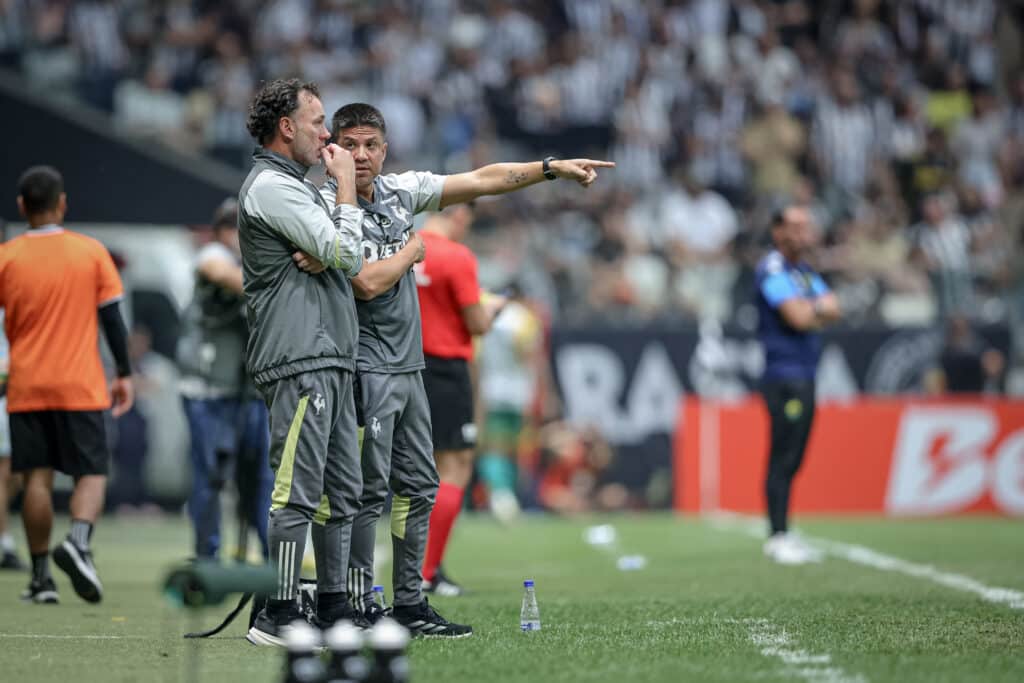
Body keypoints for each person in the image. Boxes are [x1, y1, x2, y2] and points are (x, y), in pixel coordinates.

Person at [298, 101, 613, 637]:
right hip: (359, 368)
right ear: (332, 149)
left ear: (385, 148)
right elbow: (365, 282)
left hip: (409, 367)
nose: (361, 155)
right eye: (349, 144)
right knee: (362, 491)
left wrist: (548, 168)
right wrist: (412, 250)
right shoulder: (322, 207)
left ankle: (409, 602)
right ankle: (346, 604)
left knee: (420, 486)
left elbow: (482, 180)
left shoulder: (402, 193)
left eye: (371, 144)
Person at [237, 78, 367, 647]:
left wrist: (331, 228)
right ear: (286, 127)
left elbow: (333, 252)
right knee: (297, 491)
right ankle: (278, 612)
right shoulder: (271, 186)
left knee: (343, 490)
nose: (328, 133)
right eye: (318, 121)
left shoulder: (297, 187)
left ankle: (334, 605)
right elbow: (345, 253)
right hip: (299, 356)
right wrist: (342, 190)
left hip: (330, 354)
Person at [0, 165, 134, 603]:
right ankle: (78, 542)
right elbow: (112, 320)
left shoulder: (7, 257)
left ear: (22, 206)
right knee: (91, 472)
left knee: (35, 478)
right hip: (80, 384)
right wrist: (125, 374)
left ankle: (40, 580)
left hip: (25, 386)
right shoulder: (91, 252)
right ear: (62, 204)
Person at [415, 204, 506, 597]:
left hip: (406, 366)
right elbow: (477, 323)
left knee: (418, 471)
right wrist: (495, 307)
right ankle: (426, 570)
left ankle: (420, 568)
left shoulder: (404, 246)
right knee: (455, 465)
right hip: (447, 368)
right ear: (458, 214)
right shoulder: (456, 255)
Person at [177, 198, 272, 561]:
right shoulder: (214, 256)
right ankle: (207, 555)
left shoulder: (253, 261)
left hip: (247, 391)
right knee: (211, 476)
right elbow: (221, 273)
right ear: (220, 231)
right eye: (233, 227)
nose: (239, 235)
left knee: (260, 480)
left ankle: (273, 557)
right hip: (207, 389)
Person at [755, 205, 841, 565]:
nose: (803, 233)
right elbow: (799, 316)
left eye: (806, 225)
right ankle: (777, 536)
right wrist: (815, 309)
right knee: (784, 454)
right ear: (777, 232)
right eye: (795, 226)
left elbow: (834, 307)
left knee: (795, 456)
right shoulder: (772, 268)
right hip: (784, 376)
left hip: (805, 373)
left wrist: (815, 310)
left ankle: (785, 532)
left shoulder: (802, 272)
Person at [476, 286, 546, 522]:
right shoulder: (524, 319)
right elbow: (529, 355)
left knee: (492, 445)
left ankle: (499, 493)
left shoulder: (488, 316)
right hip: (518, 390)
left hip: (490, 387)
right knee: (515, 446)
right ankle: (507, 495)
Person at [0, 311, 27, 570]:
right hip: (5, 391)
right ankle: (4, 545)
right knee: (6, 471)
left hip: (17, 391)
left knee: (17, 475)